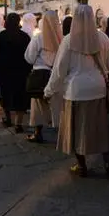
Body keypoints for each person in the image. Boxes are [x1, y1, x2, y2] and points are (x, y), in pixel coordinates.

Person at [45, 4, 109, 177]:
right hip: (98, 89)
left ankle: (81, 165)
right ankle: (108, 162)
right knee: (101, 129)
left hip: (75, 90)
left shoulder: (69, 40)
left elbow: (59, 70)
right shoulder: (102, 38)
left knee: (76, 129)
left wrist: (49, 90)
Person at [0, 13, 32, 132]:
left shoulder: (1, 36)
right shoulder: (25, 37)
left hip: (5, 72)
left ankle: (8, 119)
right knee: (20, 96)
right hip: (20, 71)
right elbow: (29, 55)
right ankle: (18, 123)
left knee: (5, 95)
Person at [25, 10, 63, 143]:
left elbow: (29, 57)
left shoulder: (38, 38)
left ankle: (38, 132)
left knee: (38, 106)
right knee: (57, 105)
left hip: (40, 74)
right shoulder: (62, 37)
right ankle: (62, 134)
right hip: (56, 75)